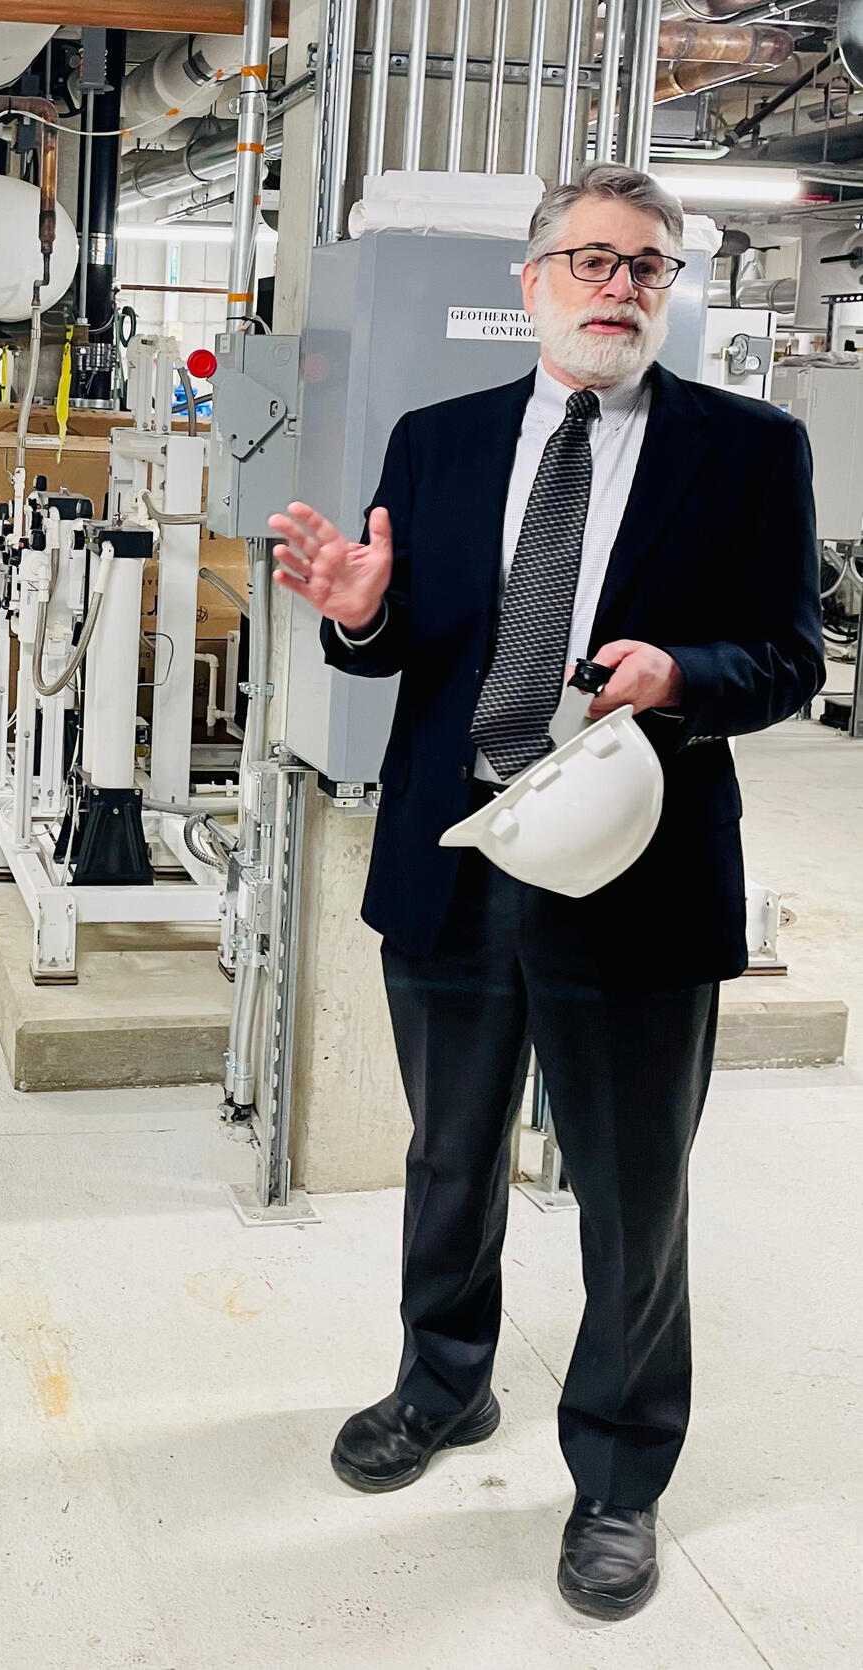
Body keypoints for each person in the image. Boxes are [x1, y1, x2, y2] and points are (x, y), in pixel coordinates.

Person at [268, 164, 823, 1619]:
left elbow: (784, 657)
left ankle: (621, 1472)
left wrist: (679, 678)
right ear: (529, 282)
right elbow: (401, 648)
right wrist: (361, 612)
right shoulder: (435, 443)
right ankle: (441, 1383)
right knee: (447, 1157)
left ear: (667, 291)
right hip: (456, 859)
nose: (617, 285)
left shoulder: (747, 451)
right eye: (589, 259)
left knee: (631, 1193)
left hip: (635, 868)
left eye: (647, 265)